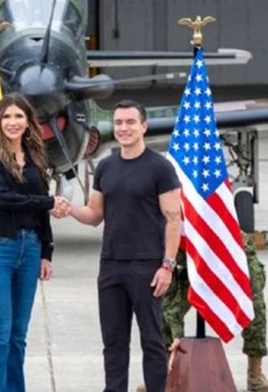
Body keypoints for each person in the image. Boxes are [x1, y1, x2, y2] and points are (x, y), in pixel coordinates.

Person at [59, 100, 182, 392]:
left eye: (130, 122)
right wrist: (70, 209)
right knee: (113, 343)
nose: (124, 128)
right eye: (118, 123)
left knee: (152, 341)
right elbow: (94, 215)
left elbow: (173, 219)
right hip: (111, 266)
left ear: (144, 127)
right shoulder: (105, 167)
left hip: (147, 267)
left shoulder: (160, 168)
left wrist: (167, 266)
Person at [0, 93, 63, 392]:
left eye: (18, 116)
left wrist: (47, 251)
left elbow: (41, 210)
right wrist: (48, 202)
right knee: (1, 333)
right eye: (6, 117)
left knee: (18, 335)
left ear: (28, 122)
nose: (12, 122)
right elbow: (2, 198)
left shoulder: (36, 158)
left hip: (31, 249)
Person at [161, 231, 268, 392]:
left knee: (253, 308)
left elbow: (252, 283)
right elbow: (169, 298)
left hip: (230, 263)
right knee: (161, 310)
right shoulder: (172, 228)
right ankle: (161, 374)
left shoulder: (231, 236)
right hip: (192, 265)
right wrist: (176, 334)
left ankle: (255, 375)